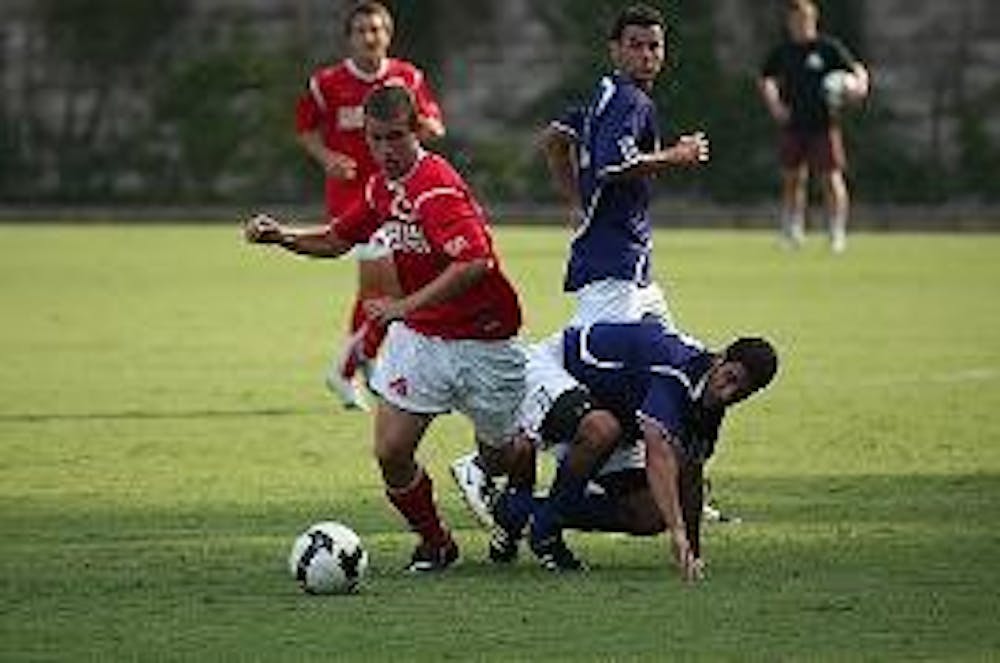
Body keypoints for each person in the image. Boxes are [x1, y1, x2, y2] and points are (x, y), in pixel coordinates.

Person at [246, 85, 525, 573]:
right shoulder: (379, 187)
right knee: (391, 451)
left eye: (396, 137)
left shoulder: (435, 186)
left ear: (416, 131)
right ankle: (436, 544)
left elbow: (475, 261)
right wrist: (281, 237)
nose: (385, 150)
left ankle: (520, 510)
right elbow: (336, 239)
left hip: (485, 340)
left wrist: (403, 305)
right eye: (376, 139)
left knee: (504, 457)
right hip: (422, 340)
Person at [460, 322, 778, 580]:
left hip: (611, 411)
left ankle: (515, 510)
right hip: (554, 367)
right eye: (729, 379)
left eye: (742, 392)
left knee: (651, 512)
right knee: (601, 429)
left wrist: (692, 549)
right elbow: (659, 454)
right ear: (720, 359)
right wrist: (677, 532)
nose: (728, 393)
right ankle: (539, 526)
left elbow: (691, 476)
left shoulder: (710, 403)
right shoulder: (677, 371)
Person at [296, 1, 445, 410]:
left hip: (398, 199)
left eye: (376, 29)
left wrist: (428, 126)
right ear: (349, 37)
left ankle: (362, 366)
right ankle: (352, 368)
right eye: (362, 30)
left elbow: (433, 121)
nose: (370, 37)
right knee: (386, 288)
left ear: (388, 34)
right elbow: (305, 129)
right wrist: (327, 158)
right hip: (352, 202)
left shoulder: (406, 78)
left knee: (382, 289)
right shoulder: (327, 83)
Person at [537, 3, 709, 328]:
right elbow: (614, 165)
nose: (646, 55)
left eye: (654, 46)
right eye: (635, 45)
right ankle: (523, 373)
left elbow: (554, 139)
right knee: (590, 359)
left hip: (630, 264)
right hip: (612, 260)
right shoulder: (631, 100)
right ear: (615, 50)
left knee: (677, 358)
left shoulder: (606, 94)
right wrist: (678, 154)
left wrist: (577, 201)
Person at [759, 0, 870, 253]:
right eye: (795, 20)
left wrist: (860, 86)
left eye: (805, 20)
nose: (800, 25)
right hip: (793, 124)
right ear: (790, 22)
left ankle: (836, 232)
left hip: (824, 124)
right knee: (792, 179)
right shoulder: (783, 51)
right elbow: (766, 78)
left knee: (831, 178)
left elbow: (857, 70)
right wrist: (775, 104)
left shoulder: (828, 48)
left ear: (813, 21)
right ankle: (793, 231)